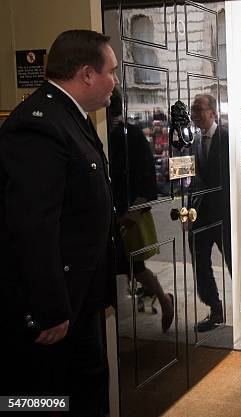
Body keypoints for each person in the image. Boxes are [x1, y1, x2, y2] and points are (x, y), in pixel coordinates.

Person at [0, 29, 118, 416]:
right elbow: (33, 225)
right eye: (111, 72)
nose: (114, 82)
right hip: (55, 309)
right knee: (42, 399)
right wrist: (50, 307)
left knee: (86, 388)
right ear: (87, 74)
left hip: (80, 299)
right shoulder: (39, 124)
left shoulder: (72, 116)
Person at [108, 87, 174, 333]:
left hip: (129, 213)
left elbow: (147, 180)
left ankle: (165, 301)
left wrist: (132, 213)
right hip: (113, 213)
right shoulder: (101, 133)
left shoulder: (131, 135)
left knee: (133, 266)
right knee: (127, 267)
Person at [189, 93, 232, 332]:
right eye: (193, 110)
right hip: (201, 214)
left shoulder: (226, 137)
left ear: (213, 113)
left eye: (199, 110)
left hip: (224, 215)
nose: (195, 115)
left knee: (231, 262)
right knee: (200, 263)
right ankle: (215, 309)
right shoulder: (193, 140)